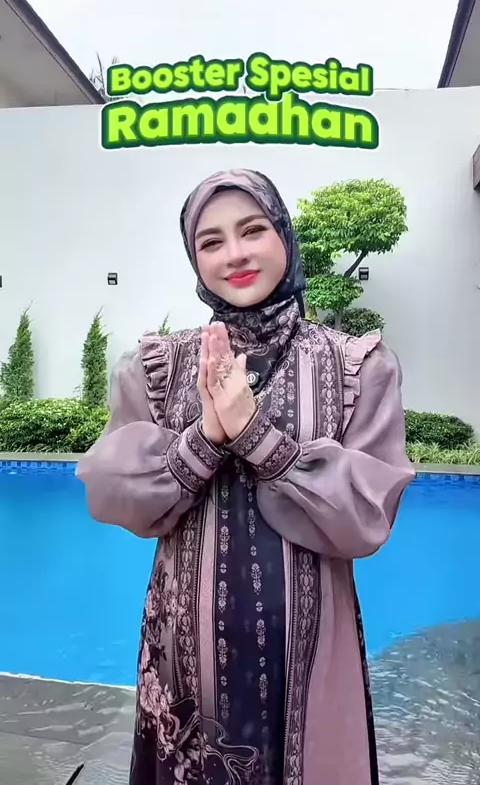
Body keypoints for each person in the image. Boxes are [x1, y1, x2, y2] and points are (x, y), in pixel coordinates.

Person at [76, 168, 415, 785]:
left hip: (306, 658)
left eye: (253, 230)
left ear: (283, 234)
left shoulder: (356, 367)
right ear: (194, 258)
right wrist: (205, 437)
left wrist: (256, 435)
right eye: (211, 241)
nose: (234, 254)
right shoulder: (157, 367)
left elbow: (367, 519)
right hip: (187, 662)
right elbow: (116, 496)